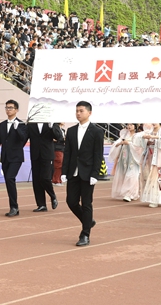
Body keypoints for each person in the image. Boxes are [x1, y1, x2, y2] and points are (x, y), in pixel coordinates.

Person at [61, 101, 103, 246]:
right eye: (77, 111)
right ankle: (88, 221)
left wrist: (95, 174)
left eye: (81, 111)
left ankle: (85, 234)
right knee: (71, 202)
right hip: (73, 172)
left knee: (86, 203)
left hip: (88, 173)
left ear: (89, 113)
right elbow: (67, 152)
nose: (78, 113)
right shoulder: (71, 131)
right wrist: (64, 171)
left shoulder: (97, 131)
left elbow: (98, 154)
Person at [0, 99, 28, 217]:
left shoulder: (21, 124)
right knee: (8, 180)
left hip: (16, 157)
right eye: (7, 107)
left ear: (16, 110)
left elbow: (23, 139)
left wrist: (17, 129)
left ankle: (14, 207)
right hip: (5, 157)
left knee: (10, 178)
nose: (8, 110)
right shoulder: (2, 124)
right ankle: (14, 206)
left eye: (11, 108)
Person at [27, 120, 63, 211]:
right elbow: (24, 137)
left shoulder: (51, 123)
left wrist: (52, 127)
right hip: (35, 154)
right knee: (36, 180)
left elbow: (59, 137)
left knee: (45, 178)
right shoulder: (31, 124)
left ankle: (52, 196)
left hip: (47, 154)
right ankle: (41, 205)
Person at [135, 123, 161, 207]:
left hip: (158, 158)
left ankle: (156, 199)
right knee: (147, 177)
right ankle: (150, 197)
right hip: (149, 157)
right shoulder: (148, 132)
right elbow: (137, 140)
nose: (154, 123)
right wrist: (146, 141)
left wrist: (155, 138)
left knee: (156, 178)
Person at [108, 123, 142, 202]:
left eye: (131, 125)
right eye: (128, 125)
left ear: (135, 126)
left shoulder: (137, 136)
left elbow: (139, 147)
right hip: (124, 157)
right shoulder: (124, 135)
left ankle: (129, 194)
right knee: (124, 175)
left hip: (133, 159)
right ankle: (132, 193)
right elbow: (116, 144)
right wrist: (120, 143)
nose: (129, 126)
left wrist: (129, 143)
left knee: (132, 176)